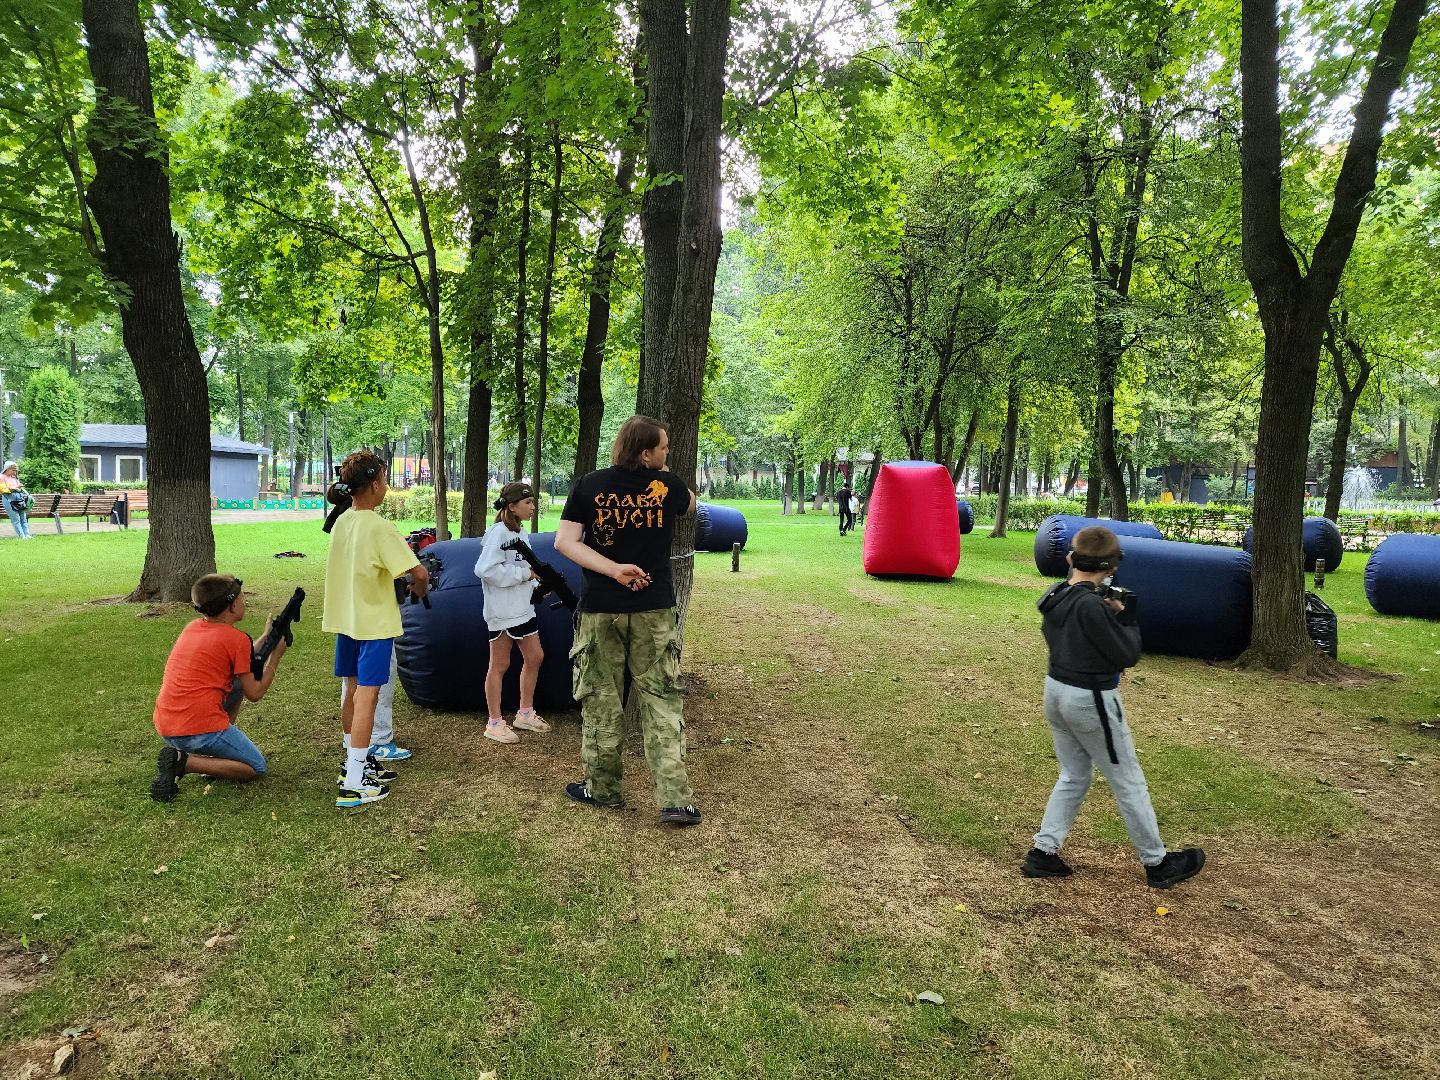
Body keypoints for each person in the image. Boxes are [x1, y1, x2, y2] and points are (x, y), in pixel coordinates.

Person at [1021, 525, 1206, 889]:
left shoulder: (1057, 593)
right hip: (1089, 698)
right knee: (1128, 781)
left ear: (1071, 559)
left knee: (1074, 774)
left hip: (1056, 690)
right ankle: (1158, 863)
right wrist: (1124, 617)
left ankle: (1043, 853)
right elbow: (1127, 654)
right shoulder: (1093, 606)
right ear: (1111, 567)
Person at [556, 415, 702, 826]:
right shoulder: (668, 486)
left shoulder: (589, 485)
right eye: (663, 448)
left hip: (600, 610)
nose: (667, 453)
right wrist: (666, 475)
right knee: (661, 700)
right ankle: (675, 799)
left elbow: (565, 543)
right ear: (646, 453)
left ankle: (602, 790)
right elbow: (692, 503)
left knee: (600, 698)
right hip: (654, 609)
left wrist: (612, 569)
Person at [323, 450, 429, 808]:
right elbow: (418, 573)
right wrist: (421, 587)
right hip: (374, 625)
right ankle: (354, 782)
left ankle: (357, 760)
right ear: (373, 484)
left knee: (352, 691)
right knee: (367, 695)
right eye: (384, 479)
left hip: (348, 621)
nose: (387, 486)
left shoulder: (341, 521)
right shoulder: (380, 527)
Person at [149, 574, 288, 802]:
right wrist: (276, 657)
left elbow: (239, 658)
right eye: (243, 599)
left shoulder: (193, 627)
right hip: (197, 731)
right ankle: (185, 762)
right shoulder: (236, 639)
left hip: (167, 724)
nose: (245, 603)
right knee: (256, 767)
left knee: (236, 682)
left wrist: (265, 637)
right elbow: (254, 693)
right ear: (233, 606)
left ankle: (212, 753)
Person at [475, 481, 552, 745]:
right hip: (503, 612)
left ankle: (525, 713)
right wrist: (524, 575)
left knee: (535, 656)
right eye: (528, 502)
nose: (533, 506)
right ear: (512, 506)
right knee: (499, 665)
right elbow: (485, 570)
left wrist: (537, 584)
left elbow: (524, 566)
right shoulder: (498, 533)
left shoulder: (520, 532)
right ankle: (494, 723)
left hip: (522, 609)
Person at [2, 461, 33, 539]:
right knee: (16, 519)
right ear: (7, 469)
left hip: (19, 499)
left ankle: (27, 534)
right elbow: (2, 489)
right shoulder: (1, 477)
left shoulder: (14, 478)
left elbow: (19, 488)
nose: (15, 472)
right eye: (13, 470)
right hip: (9, 499)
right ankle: (22, 536)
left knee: (23, 518)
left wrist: (19, 487)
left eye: (15, 470)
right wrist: (12, 488)